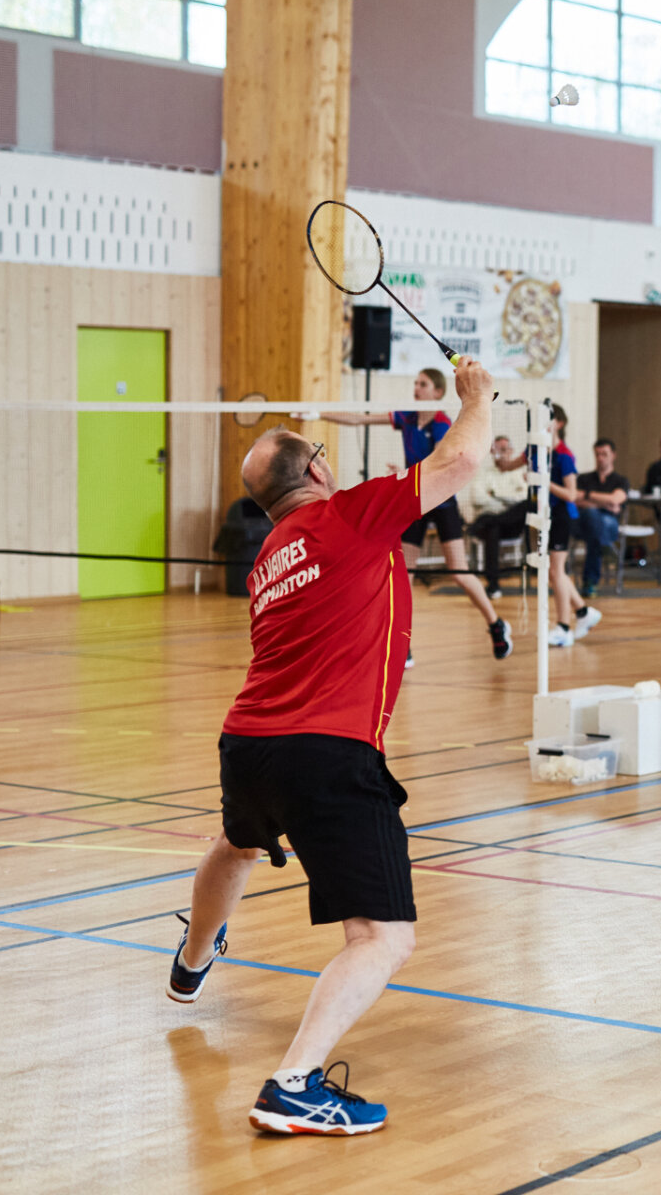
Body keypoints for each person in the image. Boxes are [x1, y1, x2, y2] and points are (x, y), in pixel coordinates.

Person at [165, 360, 495, 1135]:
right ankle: (293, 1085)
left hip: (249, 742)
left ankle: (193, 959)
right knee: (383, 938)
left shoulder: (270, 558)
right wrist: (477, 399)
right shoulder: (349, 514)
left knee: (238, 842)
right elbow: (460, 461)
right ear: (315, 470)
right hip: (328, 752)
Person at [305, 368, 511, 663]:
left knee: (459, 572)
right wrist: (318, 415)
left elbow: (440, 464)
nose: (416, 388)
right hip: (415, 504)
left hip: (443, 504)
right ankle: (405, 644)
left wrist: (405, 474)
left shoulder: (442, 424)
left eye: (423, 384)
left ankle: (495, 623)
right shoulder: (407, 418)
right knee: (405, 575)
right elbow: (359, 418)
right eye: (415, 383)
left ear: (437, 392)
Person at [493, 404, 600, 647]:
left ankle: (564, 627)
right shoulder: (533, 449)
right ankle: (583, 612)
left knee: (555, 572)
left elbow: (571, 494)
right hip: (542, 514)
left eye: (546, 418)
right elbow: (505, 467)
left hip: (561, 515)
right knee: (554, 571)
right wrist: (498, 453)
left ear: (558, 423)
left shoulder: (564, 455)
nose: (540, 423)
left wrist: (542, 481)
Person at [462, 435, 529, 594]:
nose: (500, 455)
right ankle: (493, 584)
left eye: (504, 450)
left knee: (526, 505)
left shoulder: (520, 473)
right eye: (497, 451)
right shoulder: (482, 473)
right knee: (492, 529)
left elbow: (523, 497)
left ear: (511, 451)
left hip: (511, 525)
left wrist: (494, 495)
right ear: (492, 452)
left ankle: (492, 521)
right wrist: (506, 501)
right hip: (489, 524)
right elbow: (477, 498)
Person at [573, 438, 631, 598]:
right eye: (597, 454)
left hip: (610, 524)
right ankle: (605, 547)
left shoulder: (621, 480)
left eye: (604, 454)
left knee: (595, 525)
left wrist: (588, 496)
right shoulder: (584, 479)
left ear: (613, 455)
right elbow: (575, 499)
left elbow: (615, 499)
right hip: (584, 524)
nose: (600, 458)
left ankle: (590, 582)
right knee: (592, 521)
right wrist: (605, 503)